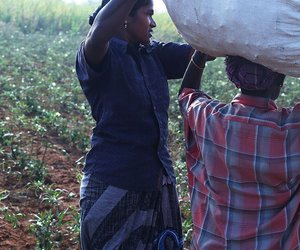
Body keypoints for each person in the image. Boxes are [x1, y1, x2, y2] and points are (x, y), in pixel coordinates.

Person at [75, 0, 193, 248]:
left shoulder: (153, 53)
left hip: (157, 182)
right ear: (124, 19)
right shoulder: (97, 54)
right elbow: (100, 30)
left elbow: (199, 51)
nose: (153, 23)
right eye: (148, 14)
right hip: (115, 184)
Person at [178, 52, 300, 249]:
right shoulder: (292, 129)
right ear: (280, 82)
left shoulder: (209, 118)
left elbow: (186, 94)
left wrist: (199, 54)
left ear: (234, 80)